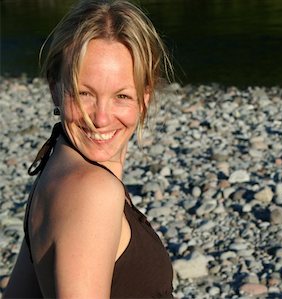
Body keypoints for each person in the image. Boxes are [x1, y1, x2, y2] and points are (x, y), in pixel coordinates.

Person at [4, 0, 174, 297]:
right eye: (84, 93)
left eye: (121, 96)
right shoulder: (93, 192)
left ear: (145, 96)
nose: (100, 118)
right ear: (54, 88)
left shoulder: (57, 168)